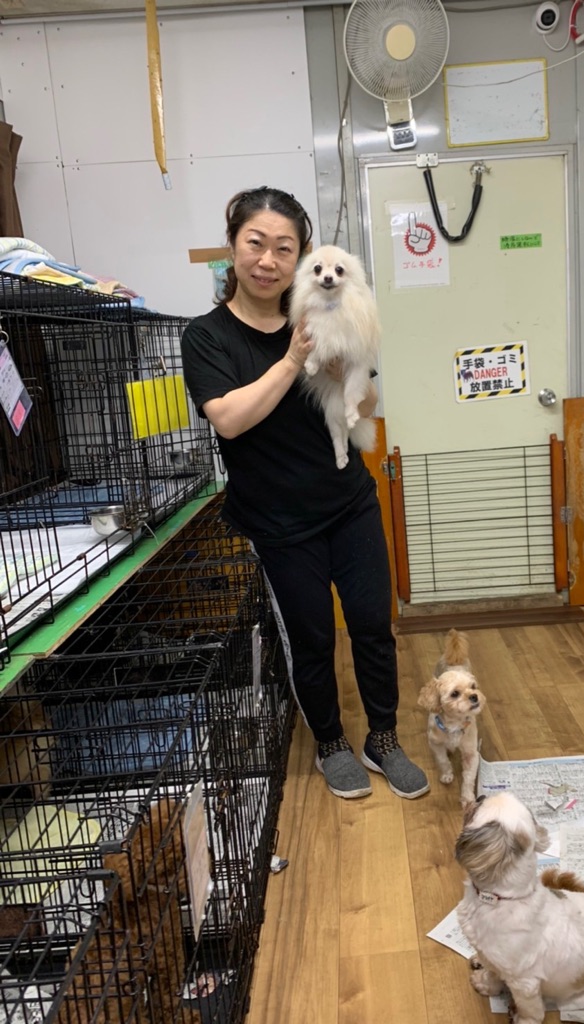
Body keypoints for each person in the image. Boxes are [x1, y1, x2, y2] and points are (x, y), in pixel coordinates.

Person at [181, 187, 429, 801]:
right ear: (233, 246)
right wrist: (294, 358)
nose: (268, 261)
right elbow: (229, 419)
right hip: (278, 522)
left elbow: (368, 400)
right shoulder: (208, 337)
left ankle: (383, 738)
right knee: (311, 637)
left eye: (284, 248)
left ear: (302, 256)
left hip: (349, 501)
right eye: (255, 243)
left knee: (373, 625)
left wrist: (352, 375)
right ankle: (330, 742)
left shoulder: (329, 310)